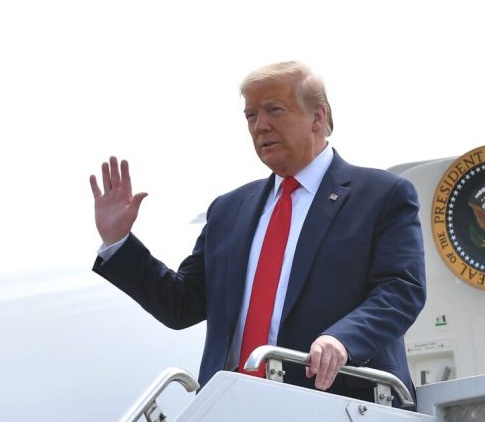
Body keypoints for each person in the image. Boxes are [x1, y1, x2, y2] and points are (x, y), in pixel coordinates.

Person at [89, 61, 426, 406]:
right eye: (251, 116)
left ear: (318, 117)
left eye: (274, 110)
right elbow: (182, 304)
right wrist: (119, 242)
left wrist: (341, 340)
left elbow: (401, 290)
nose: (260, 125)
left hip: (338, 401)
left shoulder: (381, 195)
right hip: (234, 406)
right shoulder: (228, 210)